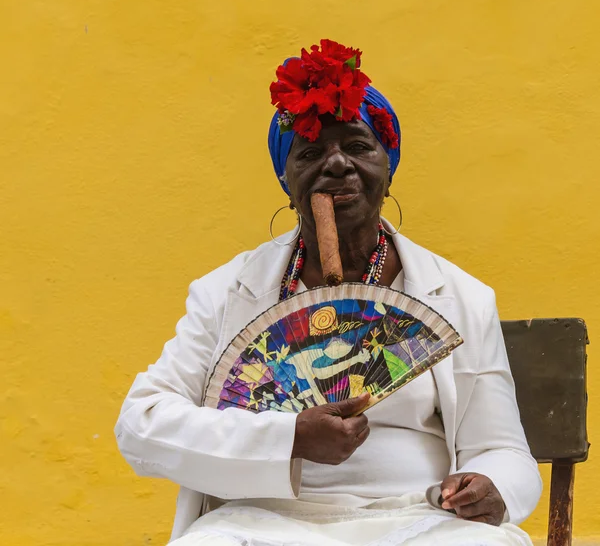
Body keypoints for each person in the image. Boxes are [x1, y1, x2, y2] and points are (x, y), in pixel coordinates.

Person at [115, 39, 542, 546]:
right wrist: (290, 437)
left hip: (418, 520)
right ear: (286, 177)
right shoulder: (227, 292)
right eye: (312, 152)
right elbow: (142, 425)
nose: (336, 164)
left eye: (358, 146)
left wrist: (492, 486)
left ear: (388, 166)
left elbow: (502, 448)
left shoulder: (461, 297)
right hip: (264, 521)